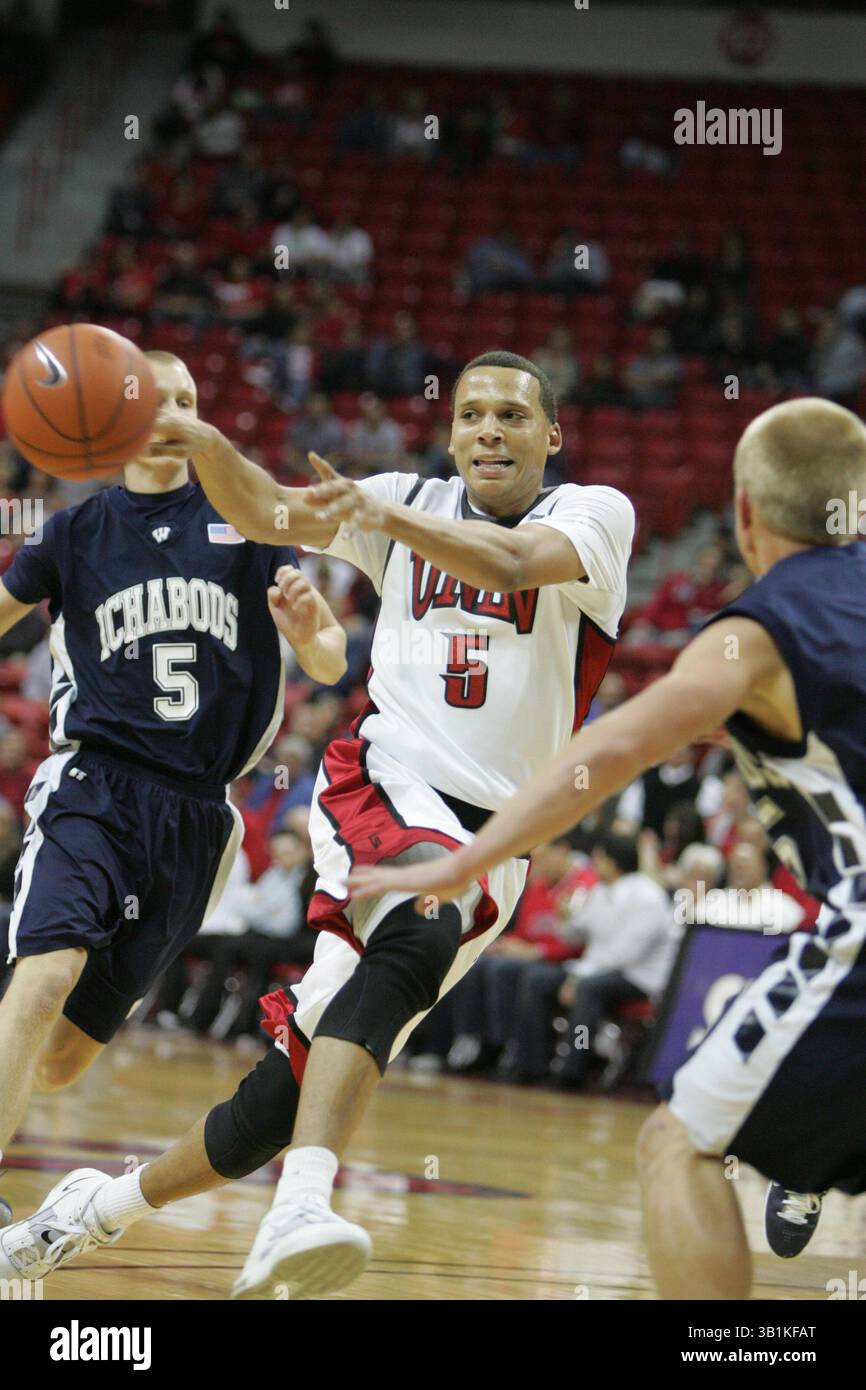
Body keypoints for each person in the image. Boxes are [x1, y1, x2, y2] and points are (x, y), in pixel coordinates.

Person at [0, 350, 634, 1298]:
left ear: (551, 435)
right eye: (469, 416)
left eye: (510, 416)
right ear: (450, 430)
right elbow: (266, 515)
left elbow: (508, 562)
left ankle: (90, 1212)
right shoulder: (401, 498)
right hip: (385, 781)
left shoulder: (592, 515)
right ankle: (302, 1205)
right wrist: (211, 442)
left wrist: (383, 518)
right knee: (421, 917)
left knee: (278, 1099)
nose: (487, 433)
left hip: (498, 841)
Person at [348, 395, 866, 1299]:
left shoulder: (756, 631)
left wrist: (466, 859)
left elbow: (615, 748)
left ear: (742, 513)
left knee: (679, 1142)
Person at [0, 350, 346, 1215]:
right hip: (95, 784)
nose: (177, 413)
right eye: (158, 399)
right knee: (42, 979)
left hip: (199, 817)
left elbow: (333, 657)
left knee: (62, 1058)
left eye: (191, 400)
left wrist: (311, 634)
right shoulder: (73, 533)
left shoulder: (253, 525)